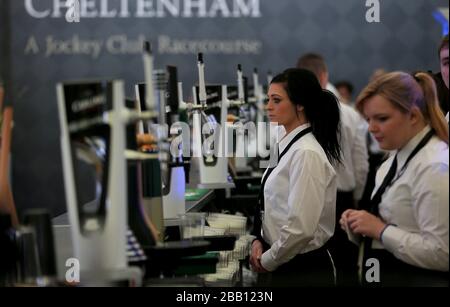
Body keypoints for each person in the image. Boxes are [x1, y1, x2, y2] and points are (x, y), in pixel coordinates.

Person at [340, 71, 449, 287]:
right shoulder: (395, 156)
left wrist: (380, 230)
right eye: (369, 119)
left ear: (414, 116)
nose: (371, 128)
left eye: (382, 119)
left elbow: (442, 253)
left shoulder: (434, 166)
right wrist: (361, 222)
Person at [250, 68, 341, 286]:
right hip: (283, 258)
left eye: (276, 100)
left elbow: (300, 229)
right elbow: (268, 201)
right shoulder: (284, 139)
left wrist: (269, 260)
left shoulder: (306, 153)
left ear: (300, 104)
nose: (268, 107)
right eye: (268, 99)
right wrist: (258, 239)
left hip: (304, 268)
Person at [297, 53, 369, 286]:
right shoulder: (350, 114)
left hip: (306, 201)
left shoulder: (294, 116)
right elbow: (361, 164)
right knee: (346, 267)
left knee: (311, 268)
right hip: (343, 201)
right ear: (324, 74)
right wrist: (358, 199)